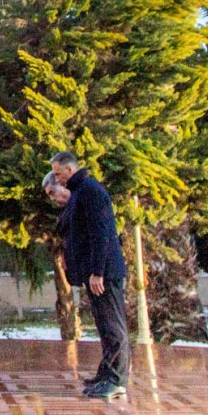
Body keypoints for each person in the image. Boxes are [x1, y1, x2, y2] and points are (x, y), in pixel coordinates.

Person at [50, 150, 130, 400]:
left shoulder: (91, 191)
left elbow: (102, 235)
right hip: (95, 274)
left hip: (104, 274)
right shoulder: (81, 192)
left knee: (113, 326)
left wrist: (98, 272)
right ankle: (106, 374)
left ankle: (117, 381)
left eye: (58, 173)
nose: (57, 178)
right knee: (105, 326)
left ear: (70, 169)